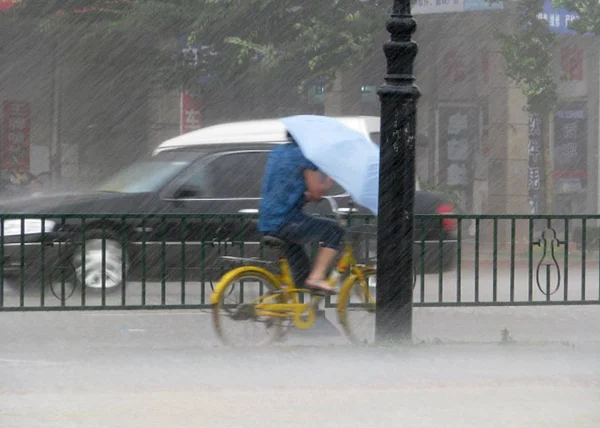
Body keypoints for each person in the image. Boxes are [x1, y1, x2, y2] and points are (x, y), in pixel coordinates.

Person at [258, 135, 344, 294]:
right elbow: (316, 193)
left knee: (301, 273)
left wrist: (304, 196)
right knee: (334, 230)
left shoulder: (277, 151)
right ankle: (317, 277)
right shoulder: (306, 156)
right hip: (287, 221)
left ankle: (304, 315)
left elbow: (285, 188)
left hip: (267, 221)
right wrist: (326, 185)